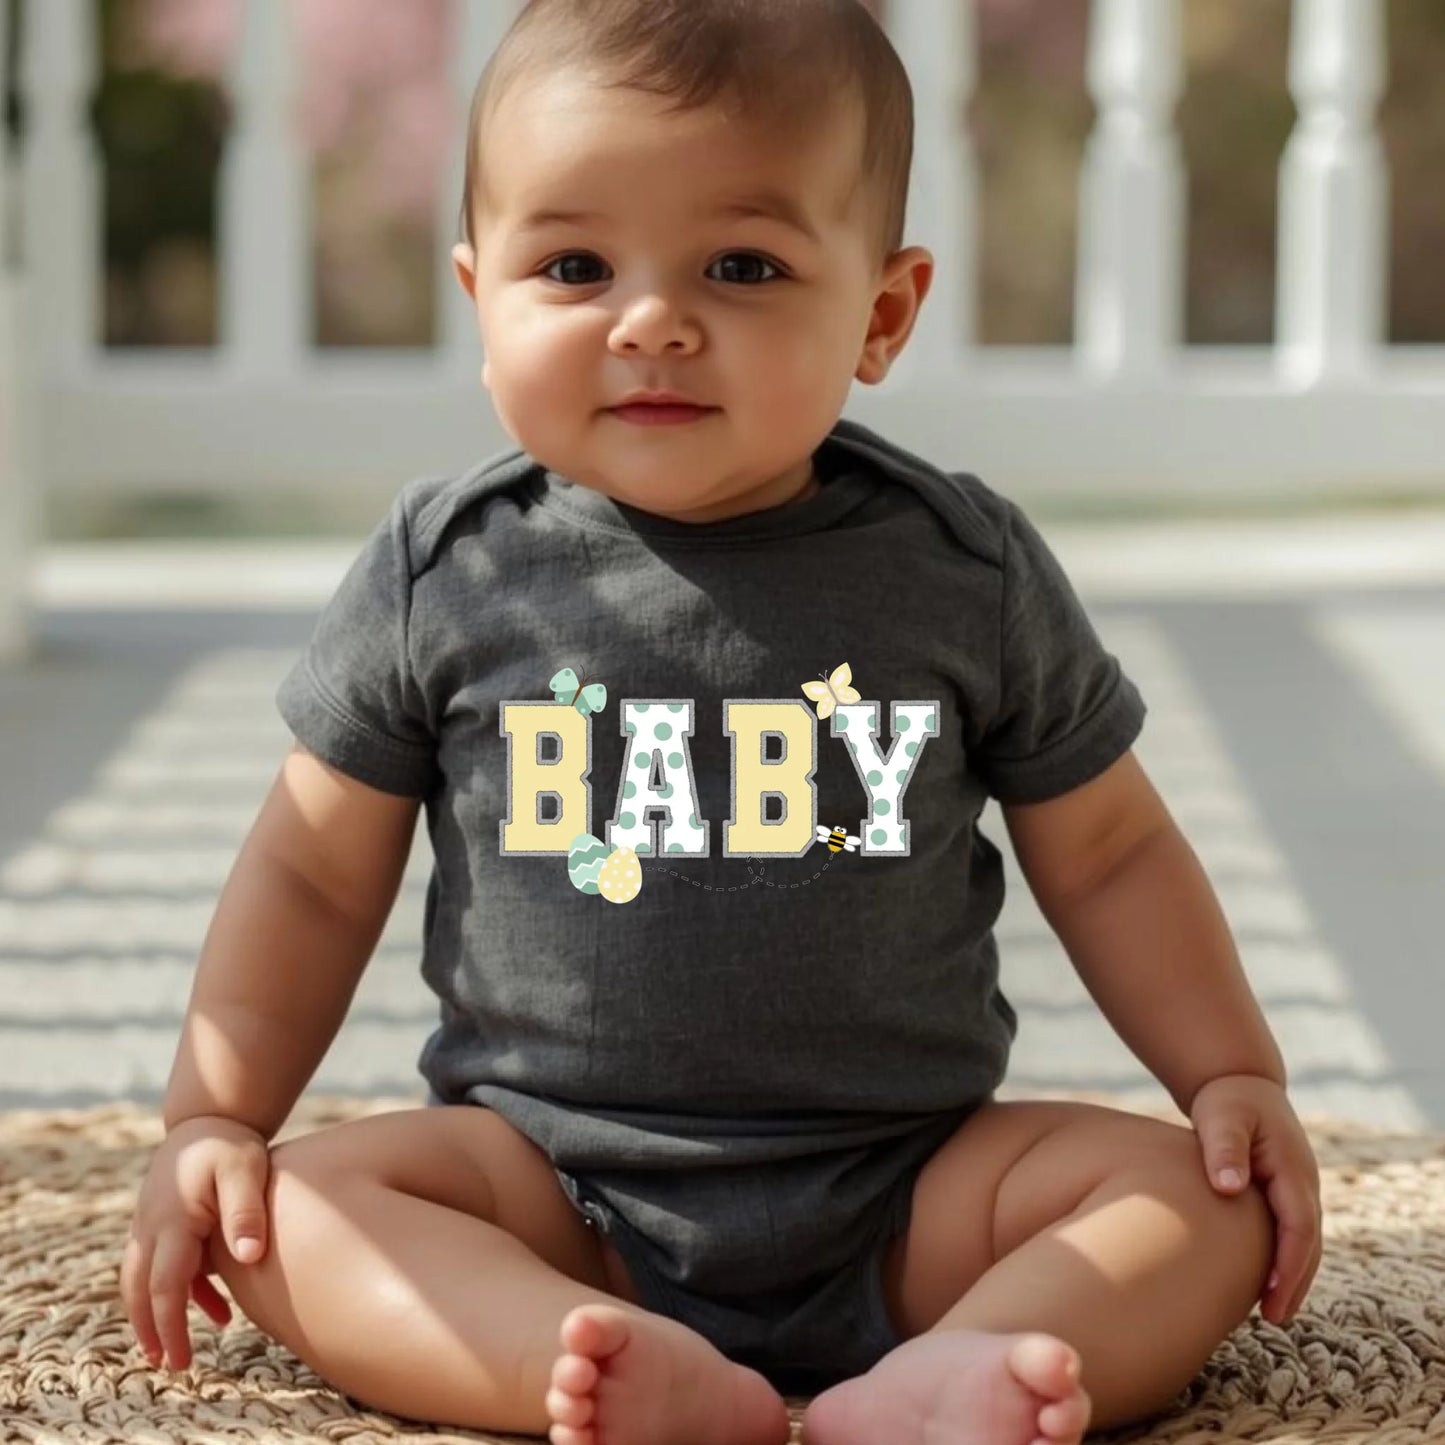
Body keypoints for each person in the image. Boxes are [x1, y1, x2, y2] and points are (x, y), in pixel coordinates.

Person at [120, 2, 1322, 1442]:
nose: (651, 320)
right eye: (572, 265)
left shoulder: (958, 567)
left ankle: (972, 1364)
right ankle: (576, 1358)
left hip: (911, 1189)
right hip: (552, 1190)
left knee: (1193, 1198)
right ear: (479, 297)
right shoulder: (446, 570)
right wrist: (215, 1115)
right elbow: (313, 868)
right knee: (297, 1211)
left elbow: (1112, 848)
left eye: (741, 265)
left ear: (879, 313)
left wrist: (1227, 1070)